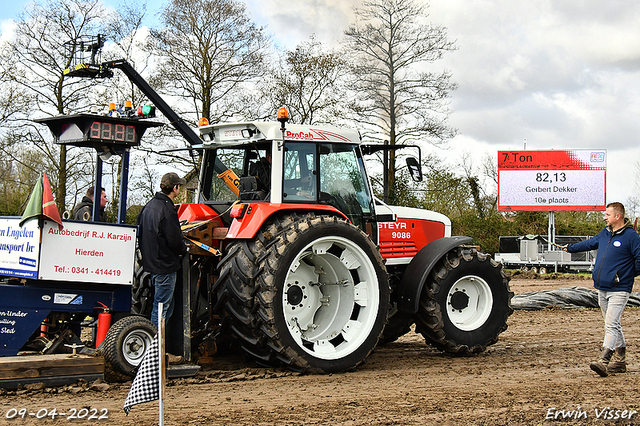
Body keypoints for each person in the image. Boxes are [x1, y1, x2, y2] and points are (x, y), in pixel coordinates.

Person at [563, 202, 640, 376]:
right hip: (602, 287)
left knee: (611, 324)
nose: (605, 217)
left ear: (617, 216)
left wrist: (625, 275)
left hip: (619, 289)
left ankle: (604, 360)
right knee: (613, 324)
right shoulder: (605, 233)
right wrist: (570, 248)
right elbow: (591, 243)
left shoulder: (631, 236)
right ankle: (620, 362)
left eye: (607, 214)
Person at [138, 172, 188, 334]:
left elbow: (140, 232)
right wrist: (184, 249)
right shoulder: (167, 209)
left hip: (151, 264)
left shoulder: (149, 206)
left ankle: (160, 347)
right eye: (179, 186)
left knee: (162, 306)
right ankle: (156, 348)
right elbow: (174, 240)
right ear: (175, 188)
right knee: (161, 309)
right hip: (165, 266)